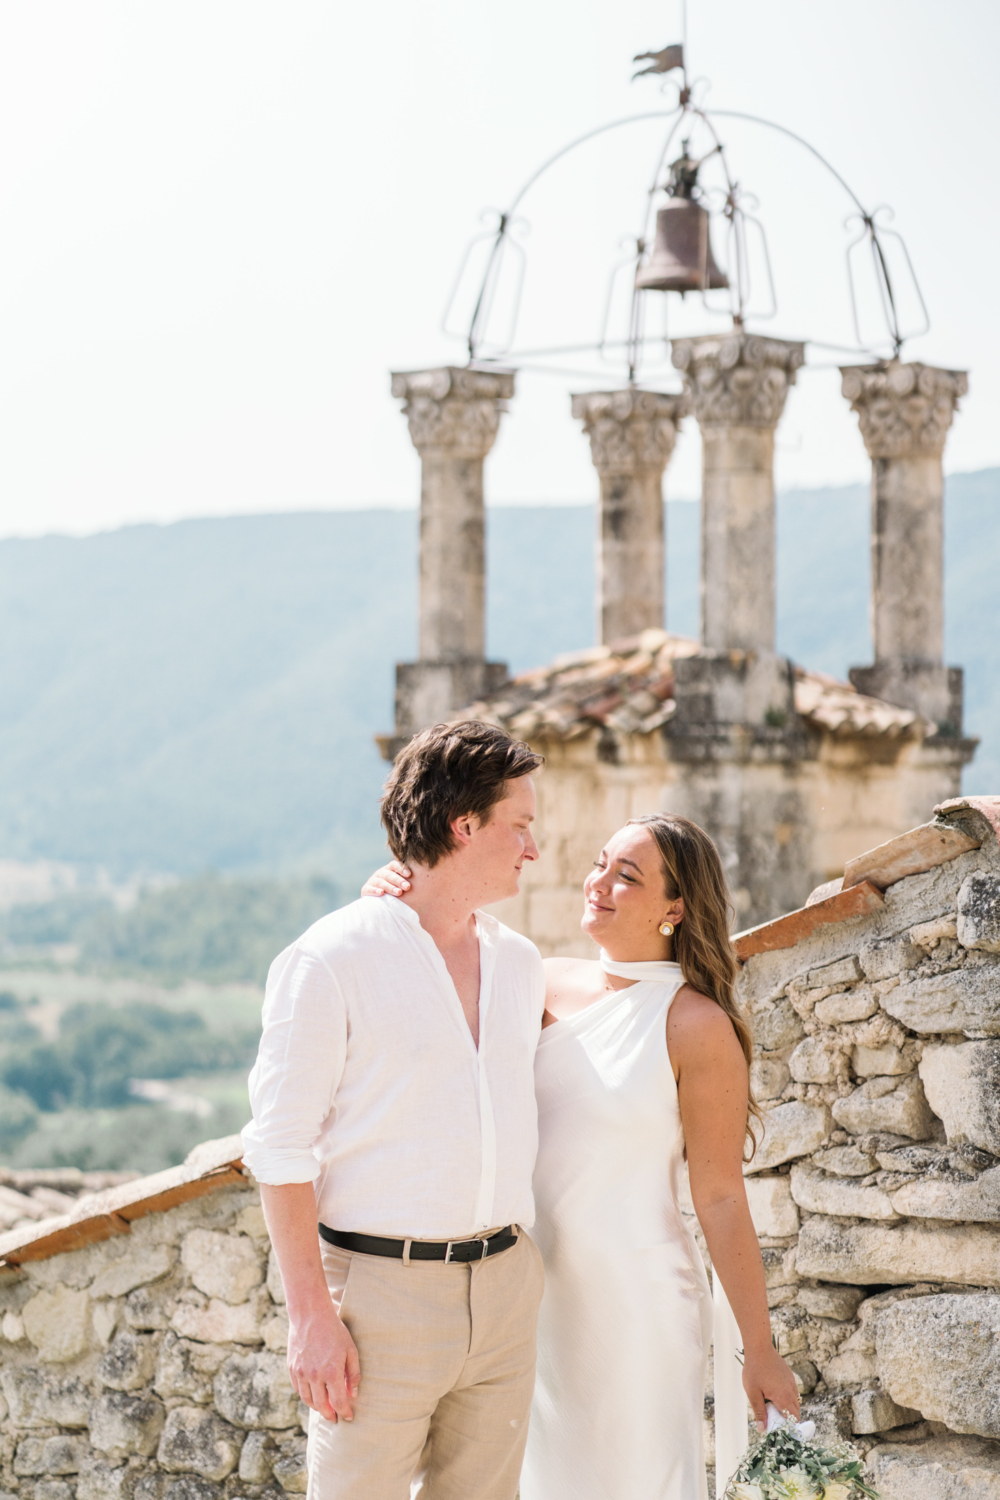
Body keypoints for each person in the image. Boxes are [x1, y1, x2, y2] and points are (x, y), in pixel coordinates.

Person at [363, 809, 800, 1500]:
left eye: (626, 876)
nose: (598, 882)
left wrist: (760, 1348)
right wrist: (393, 903)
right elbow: (426, 995)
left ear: (675, 908)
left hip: (635, 1310)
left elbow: (719, 1196)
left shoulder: (696, 1025)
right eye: (601, 863)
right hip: (522, 1297)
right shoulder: (532, 977)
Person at [241, 720, 548, 1500]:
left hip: (508, 1290)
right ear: (464, 824)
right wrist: (311, 1317)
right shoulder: (330, 959)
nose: (533, 849)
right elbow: (279, 1147)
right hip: (380, 1298)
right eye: (521, 826)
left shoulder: (520, 963)